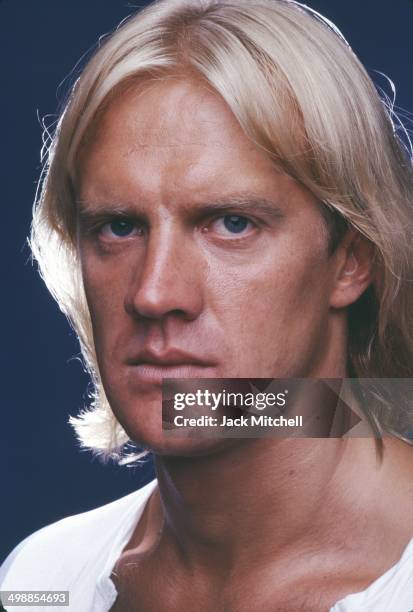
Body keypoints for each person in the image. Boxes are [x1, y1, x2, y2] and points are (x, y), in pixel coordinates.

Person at [1, 0, 413, 610]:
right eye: (118, 227)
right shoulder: (43, 581)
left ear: (352, 260)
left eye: (231, 222)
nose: (154, 292)